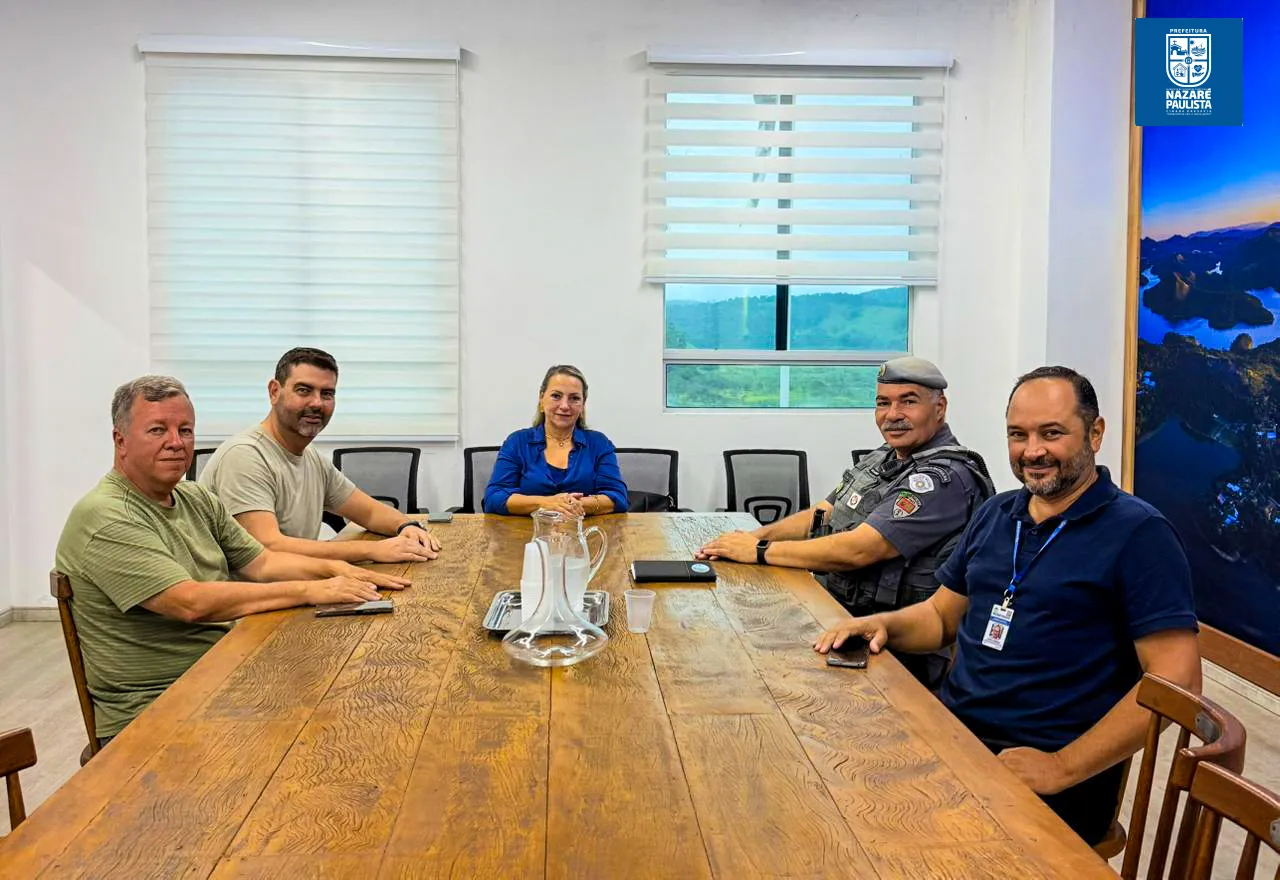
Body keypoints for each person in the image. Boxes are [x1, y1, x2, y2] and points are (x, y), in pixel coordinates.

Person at [815, 366, 1201, 846]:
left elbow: (1176, 683)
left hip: (1048, 779)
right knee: (828, 798)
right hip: (953, 740)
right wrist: (879, 625)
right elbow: (939, 618)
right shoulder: (998, 514)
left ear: (1095, 433)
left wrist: (1061, 767)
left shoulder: (1140, 534)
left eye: (1052, 433)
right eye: (1018, 435)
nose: (1033, 451)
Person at [56, 376, 411, 746]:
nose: (176, 443)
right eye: (157, 430)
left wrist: (340, 570)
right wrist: (315, 588)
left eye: (186, 430)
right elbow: (189, 602)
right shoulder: (105, 516)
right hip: (157, 708)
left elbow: (264, 563)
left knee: (363, 696)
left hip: (223, 671)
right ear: (120, 441)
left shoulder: (194, 498)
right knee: (339, 724)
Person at [697, 356, 993, 689]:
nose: (892, 415)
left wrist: (761, 551)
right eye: (883, 403)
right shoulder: (884, 457)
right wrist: (750, 537)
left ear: (940, 408)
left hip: (893, 648)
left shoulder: (943, 479)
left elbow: (861, 549)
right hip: (840, 614)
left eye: (908, 402)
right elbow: (822, 513)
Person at [200, 347, 441, 564]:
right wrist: (372, 550)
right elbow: (268, 547)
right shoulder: (245, 456)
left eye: (327, 394)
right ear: (274, 392)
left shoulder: (311, 458)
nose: (317, 403)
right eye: (304, 390)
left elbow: (368, 511)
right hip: (247, 607)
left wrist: (406, 526)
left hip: (296, 587)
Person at [483, 364, 629, 517]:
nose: (565, 406)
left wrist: (575, 505)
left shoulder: (599, 444)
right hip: (527, 536)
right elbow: (494, 498)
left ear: (582, 406)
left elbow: (618, 497)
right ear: (541, 399)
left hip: (584, 535)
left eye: (574, 398)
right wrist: (546, 503)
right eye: (556, 396)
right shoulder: (517, 442)